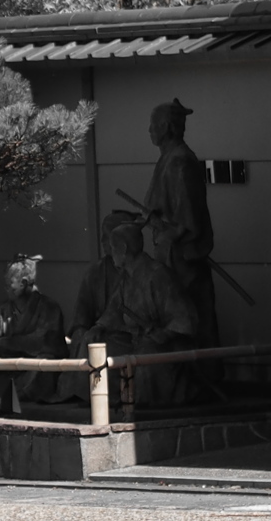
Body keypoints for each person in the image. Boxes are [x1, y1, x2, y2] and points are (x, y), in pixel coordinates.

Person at [84, 223, 197, 407]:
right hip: (134, 339)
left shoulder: (157, 275)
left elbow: (183, 318)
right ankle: (106, 402)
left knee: (145, 354)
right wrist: (100, 326)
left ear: (124, 249)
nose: (111, 253)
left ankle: (143, 406)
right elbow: (114, 309)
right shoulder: (126, 277)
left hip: (164, 346)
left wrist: (165, 333)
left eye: (113, 248)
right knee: (100, 344)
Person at [144, 99, 220, 366]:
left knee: (189, 315)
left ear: (165, 127)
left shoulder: (180, 162)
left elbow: (188, 218)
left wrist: (172, 233)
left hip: (182, 258)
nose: (150, 130)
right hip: (169, 254)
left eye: (153, 125)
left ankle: (197, 377)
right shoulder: (168, 158)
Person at [59, 210, 138, 402]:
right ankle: (78, 395)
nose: (103, 242)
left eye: (108, 237)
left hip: (128, 336)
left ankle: (104, 399)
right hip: (97, 333)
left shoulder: (138, 272)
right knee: (82, 338)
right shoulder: (96, 272)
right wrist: (87, 330)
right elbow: (81, 316)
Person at [0, 254, 68, 404]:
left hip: (36, 367)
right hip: (10, 367)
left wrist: (7, 342)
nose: (6, 288)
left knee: (44, 364)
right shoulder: (3, 309)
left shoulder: (49, 308)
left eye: (9, 284)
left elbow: (39, 342)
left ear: (24, 283)